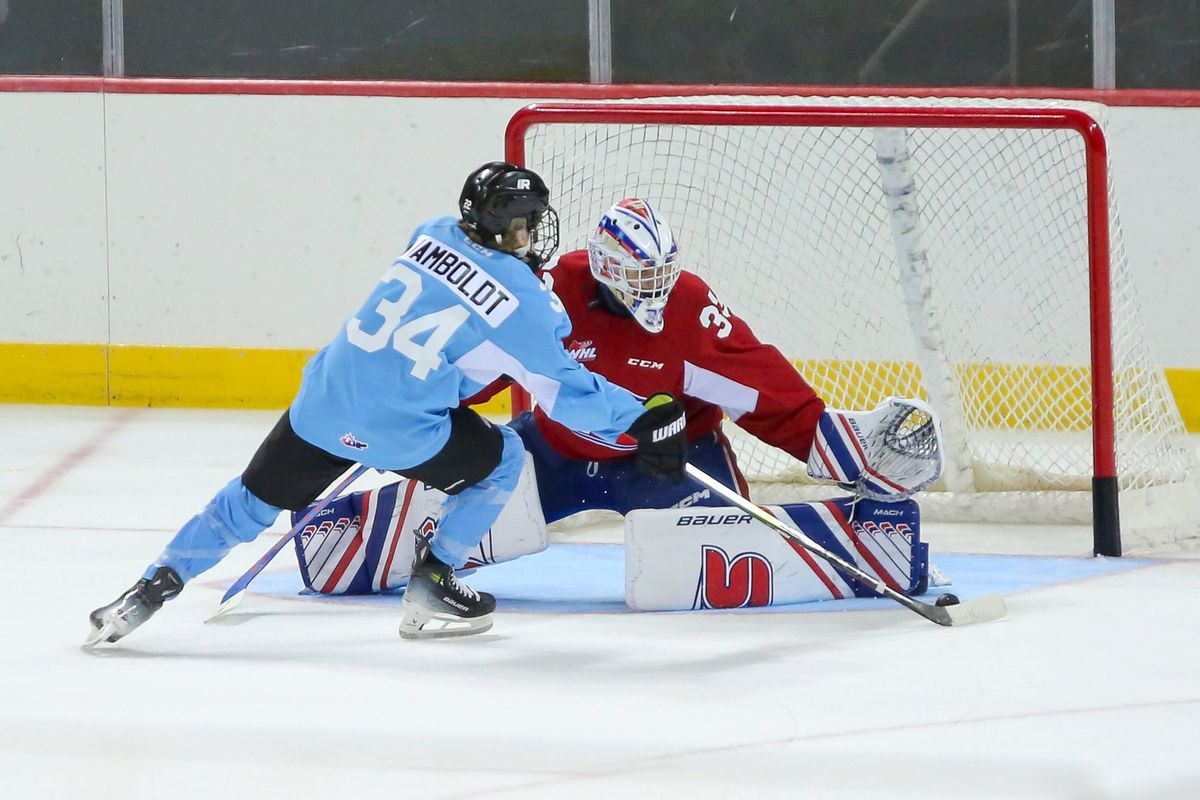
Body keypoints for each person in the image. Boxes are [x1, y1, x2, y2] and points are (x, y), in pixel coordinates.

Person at [85, 166, 690, 644]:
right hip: (404, 430)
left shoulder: (429, 232)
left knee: (250, 499)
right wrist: (642, 419)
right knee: (504, 455)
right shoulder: (528, 301)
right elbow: (567, 392)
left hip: (323, 402)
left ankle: (151, 587)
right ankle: (435, 578)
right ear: (514, 230)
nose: (534, 237)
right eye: (529, 225)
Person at [287, 198, 943, 602]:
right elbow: (476, 368)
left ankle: (870, 542)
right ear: (603, 267)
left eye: (661, 273)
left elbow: (766, 394)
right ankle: (352, 535)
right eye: (637, 276)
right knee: (472, 498)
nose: (653, 288)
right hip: (554, 450)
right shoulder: (551, 290)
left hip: (667, 460)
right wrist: (399, 407)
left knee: (696, 568)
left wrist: (840, 449)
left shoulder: (688, 311)